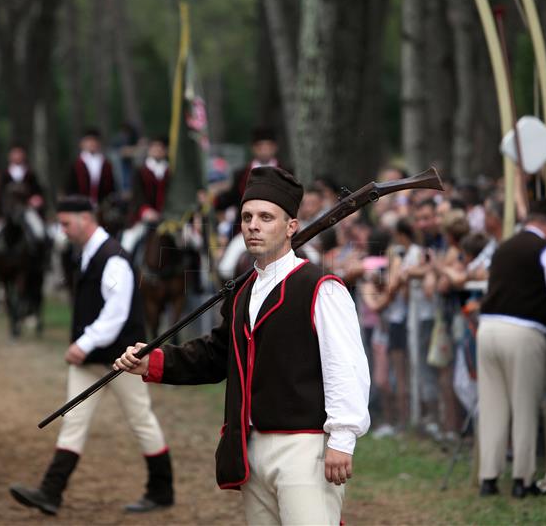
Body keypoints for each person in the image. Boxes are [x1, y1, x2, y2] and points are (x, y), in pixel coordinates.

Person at [115, 166, 371, 524]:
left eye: (267, 217)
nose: (253, 225)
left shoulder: (321, 287)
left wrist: (342, 438)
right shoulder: (243, 291)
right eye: (248, 217)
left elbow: (345, 365)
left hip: (305, 448)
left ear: (291, 226)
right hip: (250, 447)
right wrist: (154, 362)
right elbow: (217, 354)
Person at [9, 196, 174, 516]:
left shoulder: (113, 258)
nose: (63, 230)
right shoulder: (89, 254)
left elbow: (116, 312)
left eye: (67, 223)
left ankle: (162, 490)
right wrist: (85, 348)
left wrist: (84, 343)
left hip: (121, 360)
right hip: (91, 360)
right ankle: (50, 492)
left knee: (141, 420)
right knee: (73, 420)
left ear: (86, 219)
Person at [477, 199, 546, 498]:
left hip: (488, 328)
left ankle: (489, 478)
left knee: (493, 406)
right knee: (524, 406)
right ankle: (523, 478)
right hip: (525, 331)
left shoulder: (504, 246)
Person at [65, 129, 117, 204]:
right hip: (81, 205)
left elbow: (111, 187)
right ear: (82, 143)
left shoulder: (106, 164)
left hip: (102, 205)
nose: (92, 143)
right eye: (89, 140)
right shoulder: (76, 164)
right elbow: (70, 188)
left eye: (94, 140)